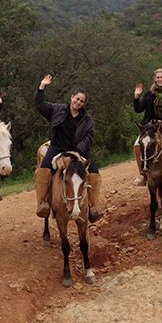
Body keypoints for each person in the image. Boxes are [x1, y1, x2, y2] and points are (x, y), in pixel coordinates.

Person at [34, 74, 102, 223]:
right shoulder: (56, 109)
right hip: (57, 147)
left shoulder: (87, 119)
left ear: (84, 104)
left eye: (81, 101)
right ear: (71, 97)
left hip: (78, 150)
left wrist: (79, 149)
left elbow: (89, 137)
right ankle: (42, 203)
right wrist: (42, 88)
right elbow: (40, 105)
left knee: (94, 170)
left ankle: (93, 206)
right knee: (44, 169)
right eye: (77, 99)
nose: (78, 102)